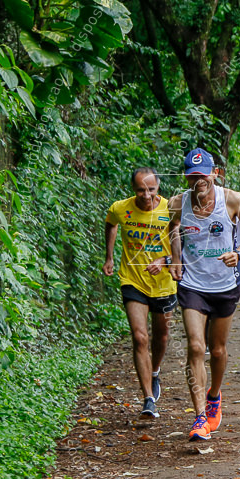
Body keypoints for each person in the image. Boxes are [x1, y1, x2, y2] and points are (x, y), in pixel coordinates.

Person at [167, 148, 240, 441]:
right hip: (193, 284)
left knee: (217, 350)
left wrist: (238, 252)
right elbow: (172, 229)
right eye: (193, 176)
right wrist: (176, 259)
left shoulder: (232, 199)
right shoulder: (177, 203)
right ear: (186, 176)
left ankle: (214, 396)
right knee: (196, 348)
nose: (199, 182)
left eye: (203, 175)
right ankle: (198, 418)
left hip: (225, 284)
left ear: (214, 174)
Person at [104, 168, 177, 420]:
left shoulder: (171, 209)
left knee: (162, 336)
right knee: (139, 336)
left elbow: (185, 242)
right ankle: (148, 398)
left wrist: (165, 258)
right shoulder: (120, 208)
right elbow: (111, 224)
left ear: (158, 188)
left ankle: (154, 371)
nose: (146, 195)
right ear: (132, 189)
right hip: (132, 279)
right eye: (140, 190)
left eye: (151, 190)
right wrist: (109, 257)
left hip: (164, 282)